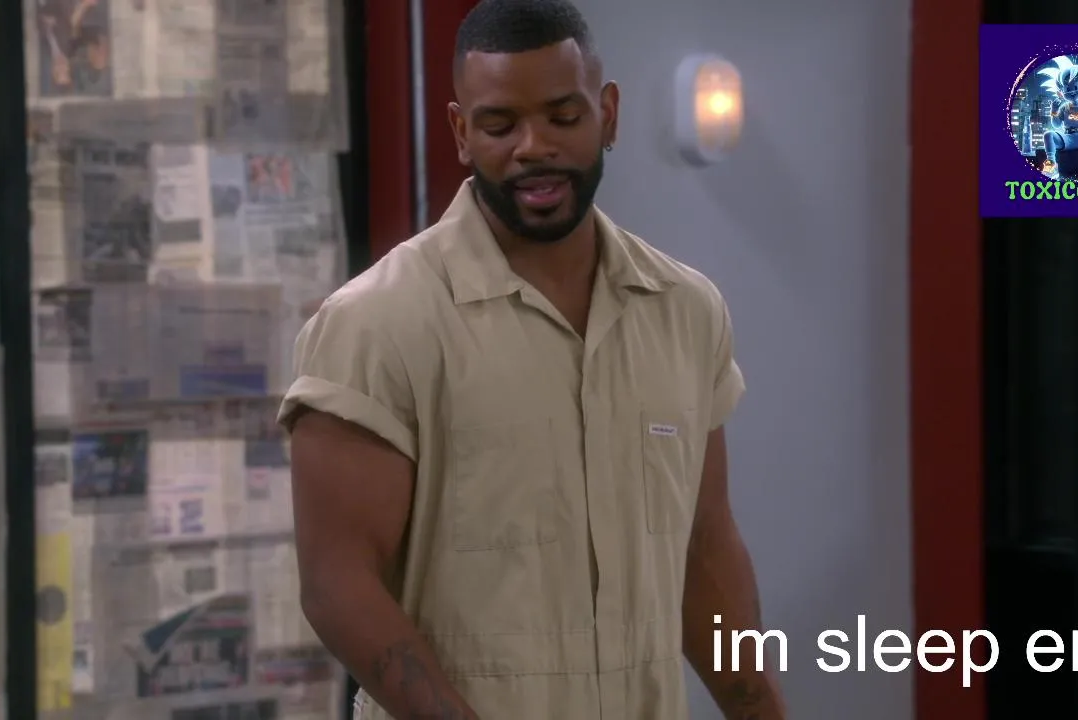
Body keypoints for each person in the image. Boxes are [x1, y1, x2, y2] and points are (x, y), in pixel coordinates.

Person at [278, 0, 785, 717]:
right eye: (500, 125)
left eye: (562, 117)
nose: (533, 147)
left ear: (608, 115)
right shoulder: (376, 323)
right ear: (461, 133)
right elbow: (338, 584)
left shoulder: (684, 310)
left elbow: (704, 550)